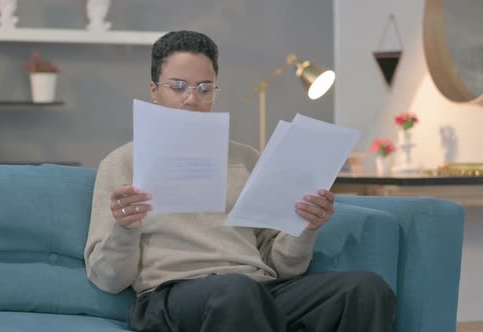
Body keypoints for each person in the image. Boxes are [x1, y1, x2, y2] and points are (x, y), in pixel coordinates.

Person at [84, 30, 396, 332]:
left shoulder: (247, 159)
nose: (191, 99)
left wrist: (305, 227)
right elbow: (108, 278)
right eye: (178, 87)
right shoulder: (121, 163)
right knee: (235, 293)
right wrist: (124, 228)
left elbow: (284, 267)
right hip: (172, 294)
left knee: (365, 289)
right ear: (154, 90)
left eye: (205, 88)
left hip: (256, 289)